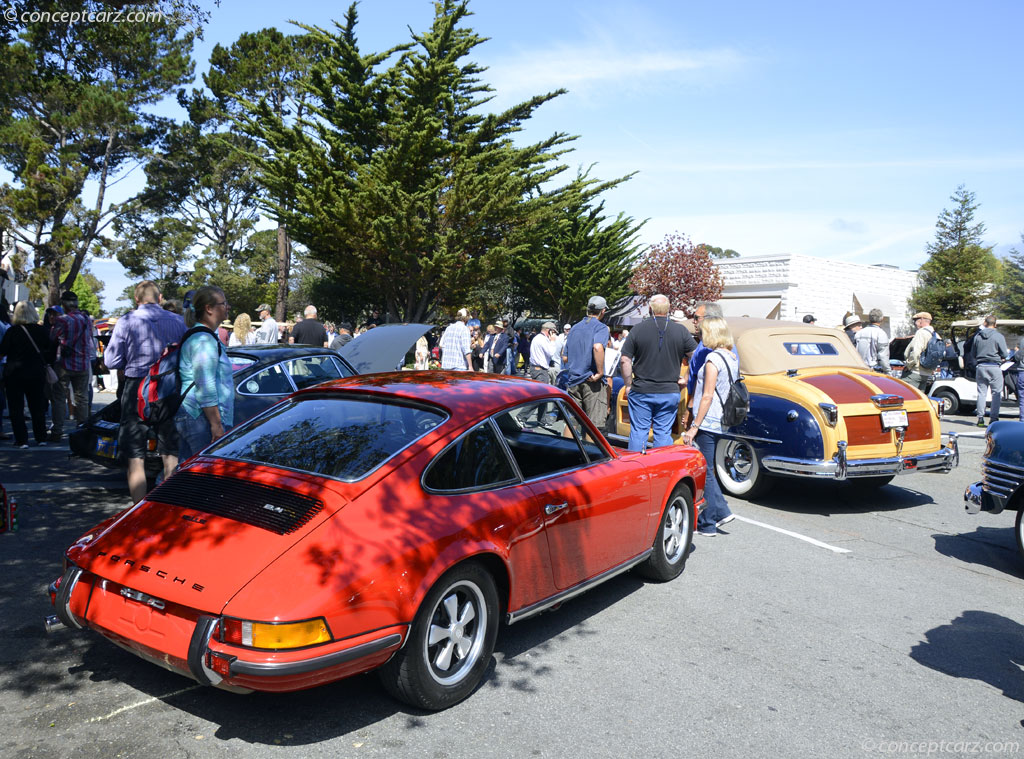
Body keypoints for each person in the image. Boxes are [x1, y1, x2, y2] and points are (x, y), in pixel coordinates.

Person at [103, 280, 186, 503]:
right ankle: (168, 507)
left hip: (136, 388)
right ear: (160, 298)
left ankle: (138, 509)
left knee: (135, 456)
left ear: (136, 299)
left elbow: (111, 359)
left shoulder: (127, 320)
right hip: (168, 388)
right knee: (170, 453)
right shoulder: (180, 322)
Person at [681, 317, 738, 536]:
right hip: (724, 419)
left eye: (703, 332)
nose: (701, 336)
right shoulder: (731, 357)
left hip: (710, 419)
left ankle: (709, 521)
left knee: (706, 470)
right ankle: (721, 512)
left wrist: (694, 425)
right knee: (710, 468)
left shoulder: (713, 359)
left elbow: (707, 395)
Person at [619, 294, 697, 452]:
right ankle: (660, 470)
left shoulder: (638, 329)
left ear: (650, 309)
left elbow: (624, 360)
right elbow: (696, 356)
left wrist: (628, 384)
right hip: (669, 391)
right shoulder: (680, 331)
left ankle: (635, 469)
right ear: (669, 310)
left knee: (639, 432)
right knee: (663, 433)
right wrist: (687, 377)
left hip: (642, 390)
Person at [175, 286, 234, 461]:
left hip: (194, 415)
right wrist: (216, 425)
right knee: (203, 474)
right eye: (223, 303)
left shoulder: (203, 336)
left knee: (185, 473)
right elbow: (205, 386)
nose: (228, 307)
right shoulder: (204, 340)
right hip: (200, 417)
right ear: (209, 308)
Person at [0, 301, 54, 448]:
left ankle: (21, 439)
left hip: (15, 372)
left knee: (16, 408)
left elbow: (3, 351)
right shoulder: (41, 330)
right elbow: (50, 350)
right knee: (37, 406)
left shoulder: (13, 331)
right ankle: (41, 437)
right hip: (36, 371)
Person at [50, 290, 94, 441]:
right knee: (82, 398)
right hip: (82, 363)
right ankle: (82, 429)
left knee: (59, 397)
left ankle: (57, 430)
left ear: (64, 304)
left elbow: (52, 337)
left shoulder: (62, 320)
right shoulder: (87, 319)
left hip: (64, 363)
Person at [565, 296, 611, 428]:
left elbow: (565, 356)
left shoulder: (574, 328)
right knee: (594, 426)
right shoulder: (601, 328)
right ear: (602, 311)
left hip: (574, 379)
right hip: (591, 381)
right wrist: (600, 372)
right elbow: (597, 347)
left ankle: (567, 448)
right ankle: (590, 449)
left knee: (572, 424)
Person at [685, 302, 728, 428]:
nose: (693, 322)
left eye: (697, 318)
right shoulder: (706, 345)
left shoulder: (709, 349)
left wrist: (690, 409)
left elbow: (702, 383)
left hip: (706, 411)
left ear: (710, 320)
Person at [971, 315, 1008, 427]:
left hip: (981, 366)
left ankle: (980, 418)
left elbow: (973, 353)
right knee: (996, 393)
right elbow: (1005, 354)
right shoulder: (998, 336)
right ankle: (993, 418)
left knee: (981, 393)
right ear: (995, 324)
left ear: (985, 323)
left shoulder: (977, 336)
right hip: (994, 366)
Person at [903, 311, 937, 392]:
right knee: (920, 399)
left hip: (915, 372)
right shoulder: (935, 334)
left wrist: (908, 365)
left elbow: (915, 353)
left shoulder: (921, 332)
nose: (915, 323)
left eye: (916, 321)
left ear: (921, 320)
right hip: (927, 373)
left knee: (906, 397)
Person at [855, 308, 890, 372]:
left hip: (859, 368)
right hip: (873, 370)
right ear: (882, 319)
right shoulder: (881, 333)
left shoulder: (859, 333)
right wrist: (887, 370)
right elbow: (883, 356)